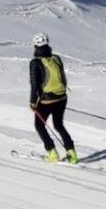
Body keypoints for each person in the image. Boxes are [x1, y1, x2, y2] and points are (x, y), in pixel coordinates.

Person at [29, 33, 78, 163]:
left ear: (35, 46)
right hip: (62, 98)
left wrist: (33, 102)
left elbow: (34, 85)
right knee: (58, 125)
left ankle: (52, 152)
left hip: (47, 100)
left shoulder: (35, 62)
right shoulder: (56, 58)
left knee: (39, 125)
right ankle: (71, 153)